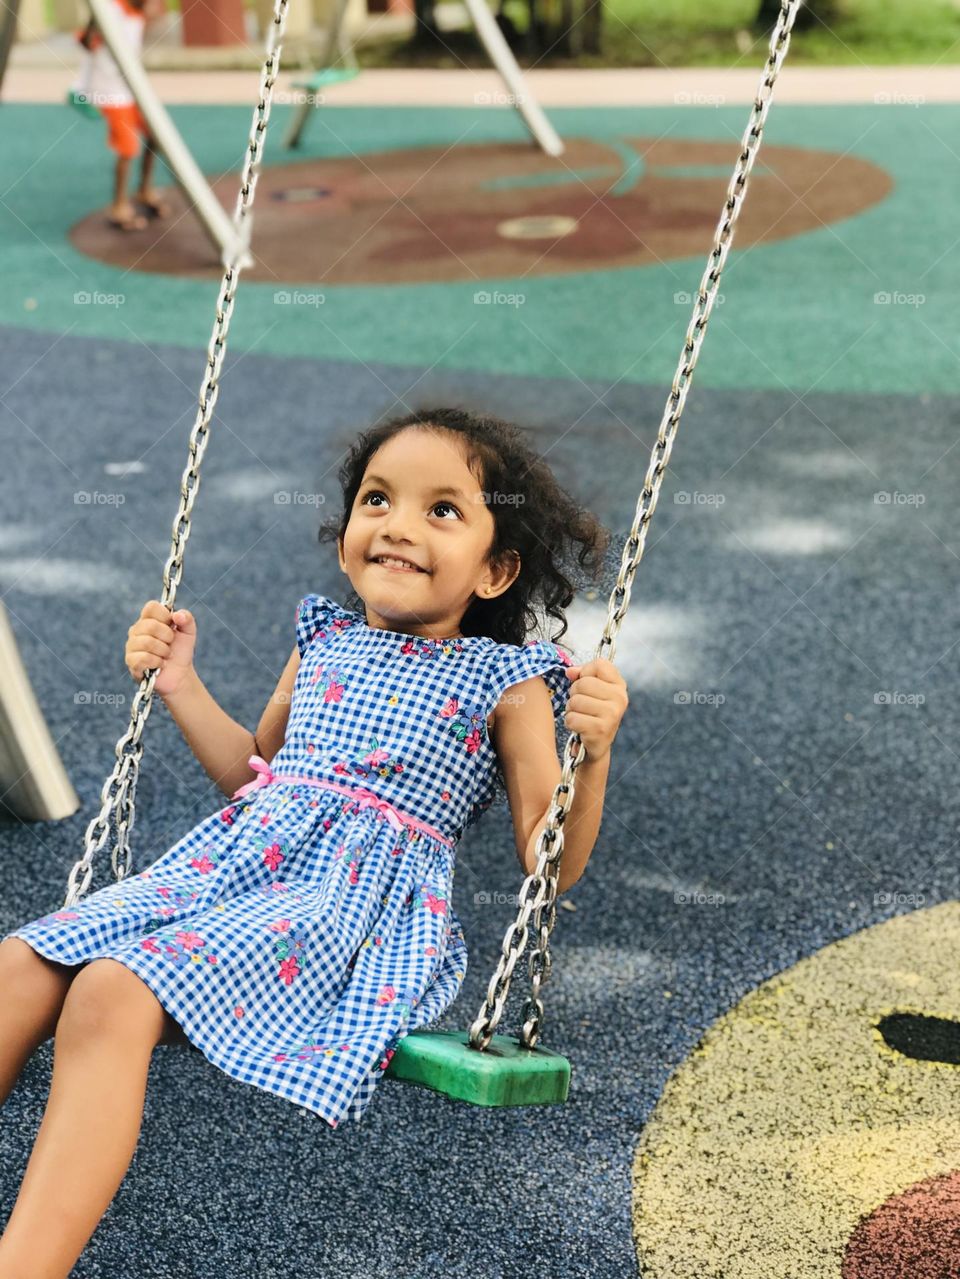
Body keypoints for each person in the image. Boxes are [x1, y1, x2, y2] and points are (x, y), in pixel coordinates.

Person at [0, 407, 629, 1277]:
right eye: (378, 499)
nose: (398, 525)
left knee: (110, 989)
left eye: (443, 510)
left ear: (495, 570)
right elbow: (255, 771)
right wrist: (180, 683)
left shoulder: (507, 681)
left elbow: (547, 862)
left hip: (346, 908)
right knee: (20, 963)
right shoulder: (323, 641)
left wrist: (591, 758)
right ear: (344, 542)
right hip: (232, 870)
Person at [72, 0, 170, 231]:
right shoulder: (110, 8)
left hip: (131, 88)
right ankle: (118, 206)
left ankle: (144, 190)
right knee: (127, 148)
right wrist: (94, 29)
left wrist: (151, 16)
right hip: (110, 91)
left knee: (155, 134)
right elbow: (86, 42)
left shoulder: (138, 11)